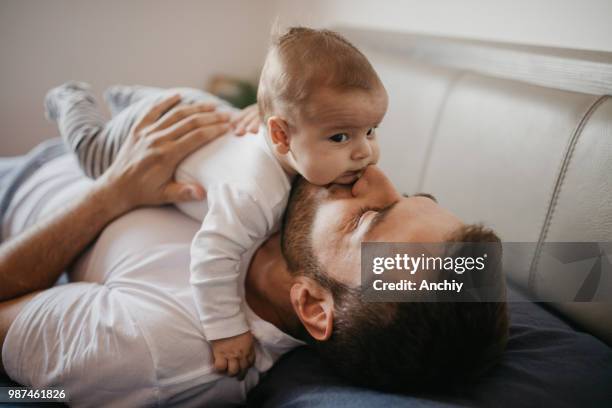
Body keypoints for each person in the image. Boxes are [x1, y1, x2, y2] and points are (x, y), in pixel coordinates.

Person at [0, 98, 508, 406]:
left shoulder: (151, 347)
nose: (374, 173)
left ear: (310, 304)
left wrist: (113, 193)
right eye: (415, 197)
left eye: (371, 217)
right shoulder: (292, 190)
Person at [43, 27, 388, 378]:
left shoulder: (298, 147)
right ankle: (73, 98)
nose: (365, 152)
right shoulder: (253, 195)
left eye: (371, 130)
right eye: (341, 136)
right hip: (153, 126)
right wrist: (226, 330)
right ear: (281, 135)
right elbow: (211, 256)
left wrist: (262, 110)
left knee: (171, 106)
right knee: (93, 158)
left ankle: (125, 96)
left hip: (201, 109)